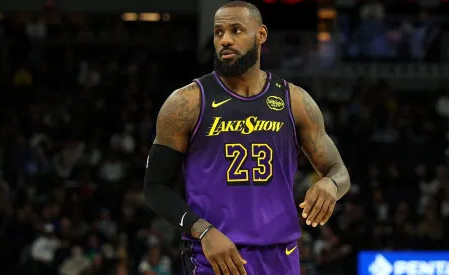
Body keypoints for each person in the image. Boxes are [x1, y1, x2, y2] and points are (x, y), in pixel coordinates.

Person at [143, 1, 350, 274]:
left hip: (281, 254)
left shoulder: (295, 100)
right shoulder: (187, 102)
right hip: (216, 255)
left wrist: (331, 186)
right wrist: (202, 231)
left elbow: (339, 172)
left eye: (236, 30)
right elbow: (155, 187)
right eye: (218, 32)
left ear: (261, 35)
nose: (225, 40)